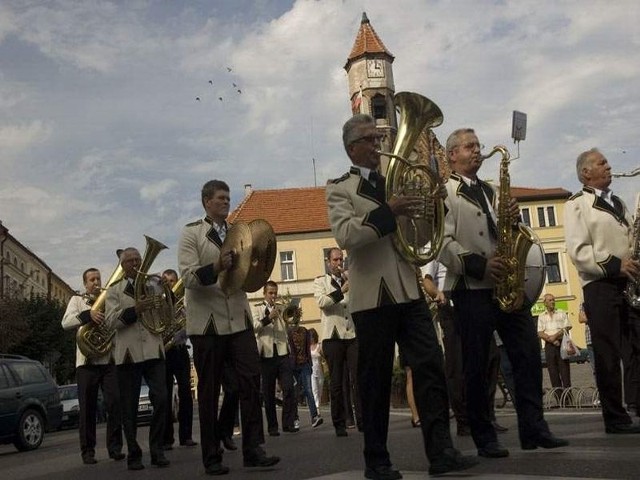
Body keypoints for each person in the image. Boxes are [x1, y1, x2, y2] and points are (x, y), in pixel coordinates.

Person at [326, 114, 477, 479]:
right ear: (351, 148)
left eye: (378, 136)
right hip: (372, 296)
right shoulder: (339, 188)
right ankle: (376, 461)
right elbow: (347, 236)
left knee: (429, 367)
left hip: (409, 290)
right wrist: (388, 210)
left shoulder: (398, 182)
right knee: (375, 380)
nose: (378, 143)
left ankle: (441, 452)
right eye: (369, 138)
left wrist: (435, 205)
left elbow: (421, 234)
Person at [438, 127, 568, 458]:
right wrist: (479, 266)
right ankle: (484, 436)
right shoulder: (446, 193)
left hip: (507, 286)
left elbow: (506, 235)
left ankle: (534, 428)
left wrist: (511, 220)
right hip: (472, 288)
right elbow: (441, 244)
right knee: (478, 364)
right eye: (468, 146)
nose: (476, 150)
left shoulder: (492, 190)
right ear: (452, 155)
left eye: (477, 145)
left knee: (526, 355)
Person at [178, 179, 280, 475]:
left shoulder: (241, 231)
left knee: (250, 381)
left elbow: (249, 272)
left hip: (239, 318)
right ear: (206, 201)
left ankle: (253, 449)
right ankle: (211, 457)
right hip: (207, 323)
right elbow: (187, 278)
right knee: (209, 392)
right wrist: (217, 267)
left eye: (228, 198)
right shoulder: (191, 233)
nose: (226, 202)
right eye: (220, 198)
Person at [564, 148, 640, 433]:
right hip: (600, 284)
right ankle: (614, 416)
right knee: (607, 352)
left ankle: (636, 403)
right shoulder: (577, 204)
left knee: (635, 344)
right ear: (586, 172)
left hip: (629, 283)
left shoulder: (619, 202)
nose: (609, 166)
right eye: (602, 163)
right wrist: (616, 266)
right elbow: (578, 250)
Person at [105, 247, 169, 470]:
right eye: (130, 260)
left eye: (138, 259)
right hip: (128, 354)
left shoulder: (153, 284)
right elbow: (110, 321)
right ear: (122, 265)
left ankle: (157, 449)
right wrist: (136, 309)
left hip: (153, 349)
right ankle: (134, 452)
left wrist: (166, 292)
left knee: (161, 399)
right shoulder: (114, 290)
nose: (135, 263)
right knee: (129, 407)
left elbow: (165, 313)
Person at [61, 267, 125, 465]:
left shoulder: (108, 299)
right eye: (91, 280)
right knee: (87, 408)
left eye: (98, 278)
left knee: (114, 404)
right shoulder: (77, 300)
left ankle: (115, 448)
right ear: (85, 284)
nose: (96, 282)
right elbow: (66, 323)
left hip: (108, 361)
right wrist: (88, 315)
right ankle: (88, 452)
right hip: (87, 363)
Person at [313, 247, 360, 435]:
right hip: (332, 336)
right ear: (328, 261)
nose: (339, 263)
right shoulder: (321, 282)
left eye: (341, 260)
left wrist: (353, 280)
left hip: (351, 334)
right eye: (335, 260)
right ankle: (339, 423)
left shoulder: (350, 279)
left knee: (357, 377)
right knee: (337, 382)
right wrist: (341, 291)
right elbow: (322, 303)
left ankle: (362, 420)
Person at [252, 280, 298, 435]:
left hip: (282, 352)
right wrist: (268, 318)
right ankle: (272, 426)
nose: (273, 296)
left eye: (275, 293)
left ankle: (288, 423)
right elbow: (254, 327)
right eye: (270, 293)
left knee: (289, 388)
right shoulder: (257, 308)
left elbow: (288, 324)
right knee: (268, 392)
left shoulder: (281, 308)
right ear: (264, 293)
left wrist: (286, 316)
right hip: (267, 354)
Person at [160, 269, 197, 450]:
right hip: (164, 352)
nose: (169, 284)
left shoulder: (184, 304)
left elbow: (192, 323)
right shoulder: (159, 304)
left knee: (185, 394)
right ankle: (167, 439)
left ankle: (186, 436)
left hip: (180, 349)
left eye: (172, 281)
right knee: (165, 395)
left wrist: (182, 331)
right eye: (166, 281)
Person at [287, 309, 323, 429]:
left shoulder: (305, 331)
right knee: (295, 393)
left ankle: (314, 417)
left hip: (305, 365)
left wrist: (310, 364)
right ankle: (295, 419)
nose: (294, 321)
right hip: (293, 365)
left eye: (296, 318)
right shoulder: (288, 332)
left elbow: (308, 349)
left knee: (309, 390)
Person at [537, 293, 572, 400]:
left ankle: (568, 398)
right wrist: (550, 340)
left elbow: (567, 327)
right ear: (545, 303)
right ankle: (559, 398)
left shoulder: (561, 313)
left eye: (553, 300)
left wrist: (555, 336)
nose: (552, 302)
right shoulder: (541, 316)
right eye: (550, 300)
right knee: (553, 372)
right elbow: (540, 332)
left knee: (565, 372)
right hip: (549, 346)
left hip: (561, 343)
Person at [309, 328, 324, 412]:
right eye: (310, 337)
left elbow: (324, 357)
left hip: (320, 370)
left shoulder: (319, 346)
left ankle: (318, 405)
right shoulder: (307, 348)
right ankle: (317, 408)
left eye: (312, 337)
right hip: (311, 371)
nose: (311, 339)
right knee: (314, 390)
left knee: (320, 389)